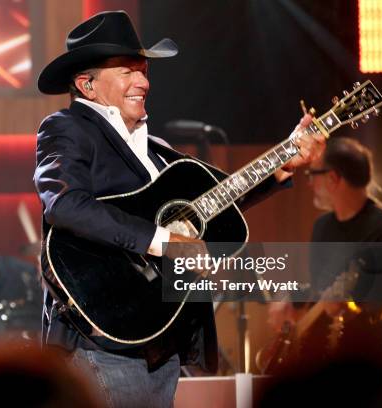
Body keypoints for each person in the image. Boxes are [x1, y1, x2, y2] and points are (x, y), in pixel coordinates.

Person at [34, 10, 325, 407]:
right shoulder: (67, 128)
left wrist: (285, 163)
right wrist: (163, 240)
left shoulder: (155, 149)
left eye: (143, 70)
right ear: (87, 85)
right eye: (126, 71)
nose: (143, 82)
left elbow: (221, 196)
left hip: (156, 337)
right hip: (102, 341)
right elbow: (64, 203)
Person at [268, 137, 382, 365]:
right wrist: (291, 297)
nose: (309, 183)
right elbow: (320, 290)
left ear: (332, 178)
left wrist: (350, 307)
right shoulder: (323, 226)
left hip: (366, 363)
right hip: (318, 358)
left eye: (312, 175)